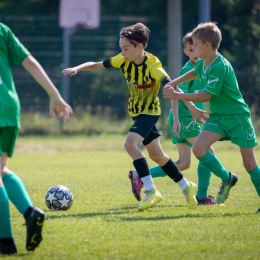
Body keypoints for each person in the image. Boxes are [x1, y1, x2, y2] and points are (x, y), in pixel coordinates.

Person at [62, 23, 205, 211]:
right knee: (157, 156)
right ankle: (186, 186)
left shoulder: (154, 68)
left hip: (149, 114)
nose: (122, 52)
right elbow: (98, 64)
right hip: (137, 114)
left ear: (140, 47)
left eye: (126, 48)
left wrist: (192, 107)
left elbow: (173, 88)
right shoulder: (123, 60)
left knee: (130, 145)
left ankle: (151, 191)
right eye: (121, 48)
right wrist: (77, 68)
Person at [163, 22, 260, 213]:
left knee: (249, 163)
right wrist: (174, 82)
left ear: (207, 45)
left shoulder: (219, 66)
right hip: (217, 117)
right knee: (199, 149)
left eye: (196, 44)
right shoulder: (203, 62)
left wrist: (178, 95)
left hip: (237, 117)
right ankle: (227, 178)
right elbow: (194, 72)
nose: (194, 48)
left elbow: (205, 96)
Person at [0, 22, 73, 255]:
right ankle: (31, 213)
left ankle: (5, 240)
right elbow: (29, 61)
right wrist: (55, 94)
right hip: (10, 106)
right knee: (1, 170)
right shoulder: (2, 29)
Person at [128, 32, 216, 205]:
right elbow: (174, 93)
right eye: (191, 49)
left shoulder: (204, 68)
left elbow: (204, 95)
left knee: (183, 163)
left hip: (189, 118)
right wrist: (176, 119)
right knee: (207, 152)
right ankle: (202, 196)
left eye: (196, 47)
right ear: (186, 52)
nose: (195, 52)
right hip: (183, 118)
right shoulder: (188, 70)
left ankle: (139, 173)